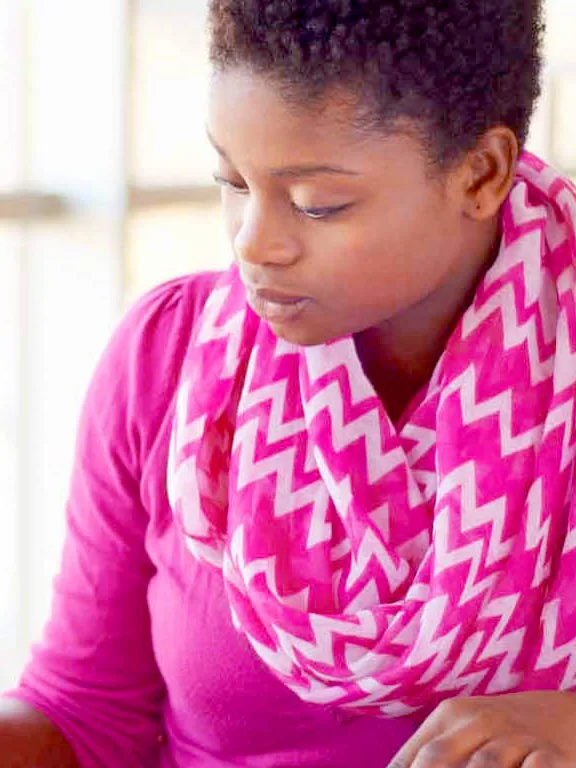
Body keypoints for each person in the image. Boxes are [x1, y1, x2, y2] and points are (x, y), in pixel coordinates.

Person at [3, 0, 576, 766]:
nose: (254, 244)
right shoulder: (166, 360)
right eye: (232, 181)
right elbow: (84, 715)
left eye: (318, 204)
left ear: (481, 173)